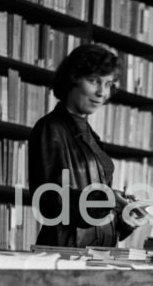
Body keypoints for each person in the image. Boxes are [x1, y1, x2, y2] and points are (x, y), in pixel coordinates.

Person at [28, 44, 138, 248]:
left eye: (108, 84)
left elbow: (98, 217)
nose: (101, 92)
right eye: (94, 81)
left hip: (98, 255)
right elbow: (48, 202)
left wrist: (127, 216)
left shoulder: (91, 136)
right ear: (73, 79)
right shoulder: (50, 128)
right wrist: (105, 198)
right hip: (64, 253)